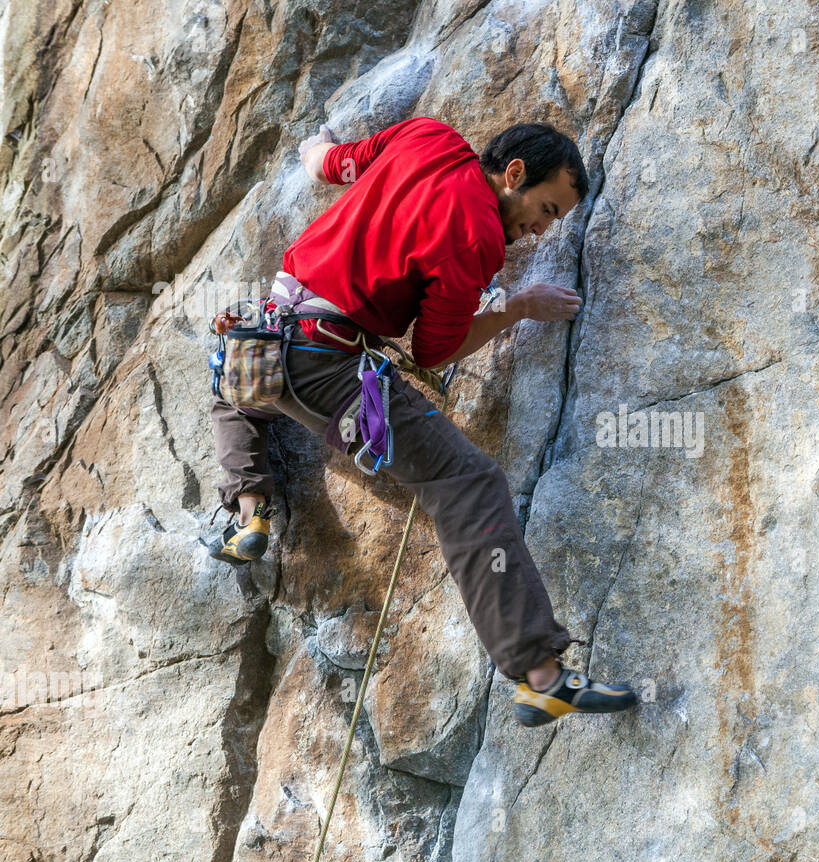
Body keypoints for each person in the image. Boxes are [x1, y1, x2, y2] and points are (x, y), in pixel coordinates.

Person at [206, 117, 636, 727]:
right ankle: (540, 676)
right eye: (544, 209)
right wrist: (515, 308)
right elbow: (437, 348)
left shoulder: (426, 136)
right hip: (326, 363)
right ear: (512, 174)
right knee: (469, 483)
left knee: (231, 387)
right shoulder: (478, 233)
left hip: (267, 332)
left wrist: (312, 145)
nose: (540, 230)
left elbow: (331, 164)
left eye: (553, 220)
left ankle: (251, 510)